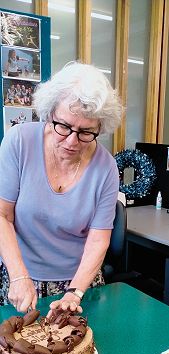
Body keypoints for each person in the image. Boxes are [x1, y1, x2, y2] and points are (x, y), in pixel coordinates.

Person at [0, 61, 123, 315]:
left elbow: (99, 238)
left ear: (100, 127)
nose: (72, 141)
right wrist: (19, 276)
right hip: (20, 276)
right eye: (64, 126)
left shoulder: (106, 167)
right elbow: (2, 215)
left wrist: (75, 291)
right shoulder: (19, 142)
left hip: (79, 283)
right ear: (49, 113)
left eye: (86, 132)